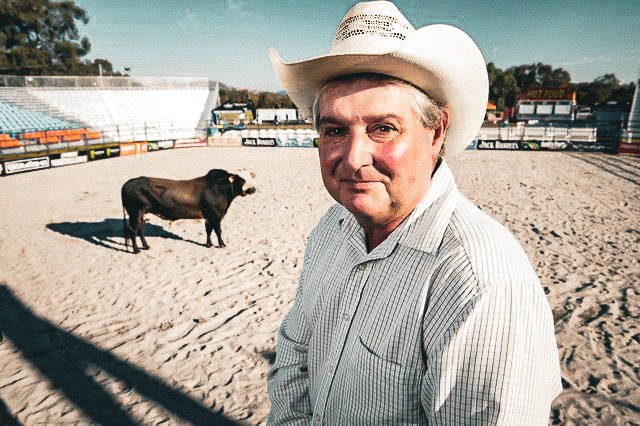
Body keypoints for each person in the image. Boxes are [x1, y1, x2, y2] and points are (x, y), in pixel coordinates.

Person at [266, 1, 562, 424]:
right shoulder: (333, 227)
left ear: (436, 131)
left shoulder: (478, 281)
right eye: (335, 130)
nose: (353, 158)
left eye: (382, 128)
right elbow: (295, 350)